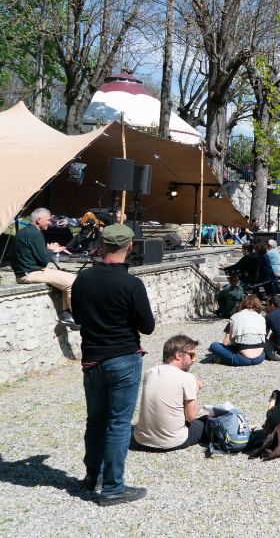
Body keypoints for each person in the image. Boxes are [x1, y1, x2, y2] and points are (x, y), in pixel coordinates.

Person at [73, 223, 154, 505]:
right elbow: (148, 326)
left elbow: (79, 318)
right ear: (130, 246)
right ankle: (112, 488)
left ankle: (92, 476)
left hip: (92, 360)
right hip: (123, 359)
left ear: (101, 244)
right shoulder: (131, 283)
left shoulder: (82, 279)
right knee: (119, 424)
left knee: (96, 421)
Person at [132, 335, 207, 452]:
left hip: (142, 440)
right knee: (208, 420)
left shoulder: (150, 372)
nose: (194, 359)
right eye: (191, 355)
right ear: (178, 355)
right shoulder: (187, 378)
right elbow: (191, 417)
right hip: (172, 442)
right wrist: (194, 390)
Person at [12, 207, 77, 329]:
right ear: (38, 220)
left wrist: (49, 250)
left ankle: (67, 315)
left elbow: (37, 256)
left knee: (71, 276)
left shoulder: (23, 231)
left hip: (26, 271)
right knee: (71, 283)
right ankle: (74, 317)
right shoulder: (36, 234)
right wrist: (51, 250)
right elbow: (43, 262)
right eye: (48, 220)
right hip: (30, 274)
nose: (50, 222)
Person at [209, 295, 266, 366]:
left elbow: (231, 340)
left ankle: (222, 358)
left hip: (242, 359)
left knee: (213, 345)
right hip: (260, 357)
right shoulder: (261, 318)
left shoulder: (235, 317)